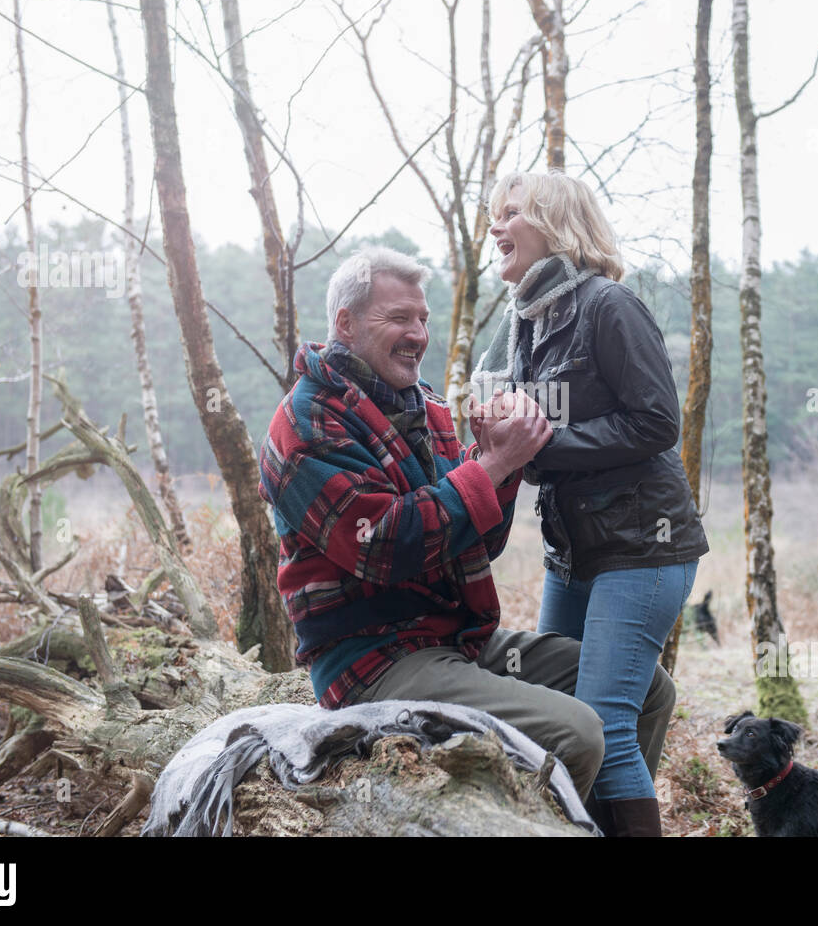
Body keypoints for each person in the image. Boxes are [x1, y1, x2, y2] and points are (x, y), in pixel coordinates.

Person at [257, 245, 677, 808]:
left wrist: (498, 461)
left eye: (423, 319)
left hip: (458, 640)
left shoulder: (425, 405)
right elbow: (385, 546)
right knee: (574, 734)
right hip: (375, 663)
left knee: (647, 688)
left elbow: (477, 541)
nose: (418, 334)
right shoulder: (305, 423)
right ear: (346, 323)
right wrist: (493, 466)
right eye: (399, 318)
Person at [471, 172, 709, 837]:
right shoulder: (527, 323)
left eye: (511, 212)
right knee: (558, 713)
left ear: (555, 223)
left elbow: (658, 422)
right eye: (493, 214)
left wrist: (542, 444)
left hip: (642, 547)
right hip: (572, 554)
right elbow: (527, 432)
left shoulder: (608, 306)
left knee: (604, 723)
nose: (495, 227)